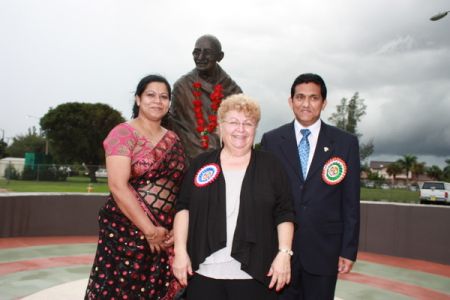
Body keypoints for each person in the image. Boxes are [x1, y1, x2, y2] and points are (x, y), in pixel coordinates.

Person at [172, 94, 295, 300]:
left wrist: (284, 253)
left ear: (255, 129)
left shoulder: (271, 166)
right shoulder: (201, 164)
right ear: (220, 126)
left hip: (256, 274)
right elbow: (184, 208)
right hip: (204, 272)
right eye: (233, 122)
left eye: (248, 123)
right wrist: (180, 251)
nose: (241, 129)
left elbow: (284, 212)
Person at [85, 74, 187, 299]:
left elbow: (179, 187)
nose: (157, 101)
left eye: (163, 97)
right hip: (126, 232)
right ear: (138, 99)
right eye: (150, 95)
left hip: (164, 234)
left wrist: (172, 233)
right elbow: (118, 186)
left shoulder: (174, 139)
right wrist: (150, 231)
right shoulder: (123, 133)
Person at [261, 73, 360, 300]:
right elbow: (265, 197)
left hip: (325, 251)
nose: (306, 104)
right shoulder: (272, 140)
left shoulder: (345, 143)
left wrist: (348, 249)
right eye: (300, 97)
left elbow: (351, 202)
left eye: (314, 98)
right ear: (291, 101)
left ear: (323, 103)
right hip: (280, 252)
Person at [168, 34, 242, 161]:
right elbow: (175, 126)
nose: (200, 57)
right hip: (188, 161)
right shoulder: (182, 86)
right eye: (196, 52)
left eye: (207, 53)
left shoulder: (232, 91)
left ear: (220, 56)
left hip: (224, 160)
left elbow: (239, 130)